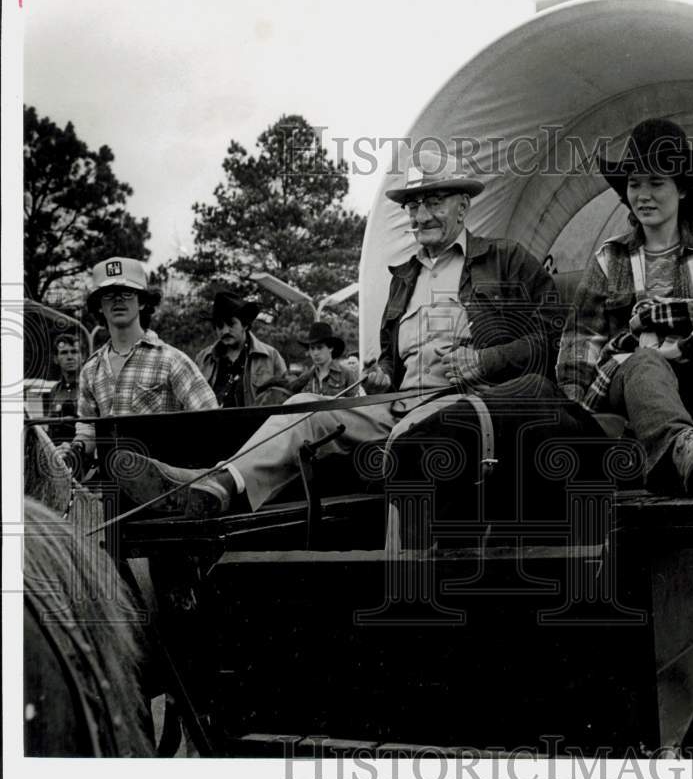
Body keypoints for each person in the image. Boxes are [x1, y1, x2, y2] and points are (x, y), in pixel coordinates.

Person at [117, 149, 564, 516]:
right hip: (398, 408)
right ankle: (215, 487)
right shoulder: (403, 277)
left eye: (434, 202)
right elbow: (393, 357)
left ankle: (204, 492)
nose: (420, 215)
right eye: (413, 205)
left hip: (467, 411)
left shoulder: (503, 259)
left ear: (463, 206)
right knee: (301, 407)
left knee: (411, 434)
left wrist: (489, 359)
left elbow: (552, 330)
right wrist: (384, 372)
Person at [557, 118, 693, 494]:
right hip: (640, 384)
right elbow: (581, 340)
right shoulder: (611, 257)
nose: (643, 195)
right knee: (645, 359)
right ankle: (682, 446)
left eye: (656, 183)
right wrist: (573, 417)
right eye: (635, 183)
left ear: (682, 189)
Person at [54, 257, 218, 466]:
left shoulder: (171, 360)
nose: (118, 300)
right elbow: (88, 430)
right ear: (99, 306)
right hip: (113, 490)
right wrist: (74, 451)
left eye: (127, 292)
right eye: (109, 295)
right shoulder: (91, 370)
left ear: (142, 302)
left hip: (167, 491)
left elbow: (211, 421)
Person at [195, 291, 287, 407]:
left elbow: (286, 400)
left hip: (259, 425)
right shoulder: (204, 359)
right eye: (220, 326)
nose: (225, 331)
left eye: (231, 324)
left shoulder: (270, 357)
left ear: (245, 324)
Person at [285, 321, 361, 397]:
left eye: (319, 348)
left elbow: (356, 405)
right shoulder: (305, 377)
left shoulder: (346, 374)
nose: (315, 353)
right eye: (312, 348)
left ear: (330, 348)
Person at [44, 334, 82, 445]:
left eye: (74, 352)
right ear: (56, 359)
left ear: (82, 356)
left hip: (84, 454)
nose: (70, 357)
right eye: (64, 353)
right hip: (58, 455)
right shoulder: (55, 390)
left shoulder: (90, 387)